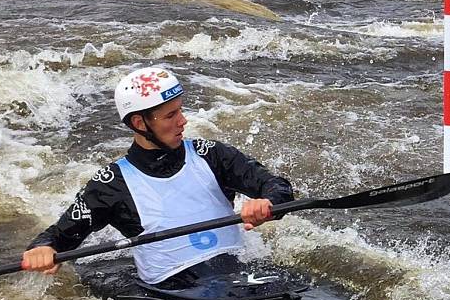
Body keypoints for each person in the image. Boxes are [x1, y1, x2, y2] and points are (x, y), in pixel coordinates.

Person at [22, 66, 293, 285]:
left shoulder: (211, 155)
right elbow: (59, 236)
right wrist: (43, 249)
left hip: (240, 271)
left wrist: (267, 203)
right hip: (177, 289)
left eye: (181, 110)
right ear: (140, 124)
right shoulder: (111, 184)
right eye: (170, 115)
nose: (183, 121)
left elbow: (276, 186)